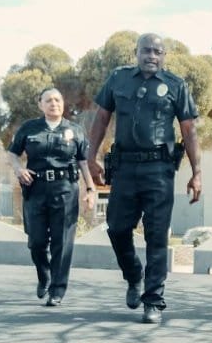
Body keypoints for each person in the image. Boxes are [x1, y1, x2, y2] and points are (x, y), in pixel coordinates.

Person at [86, 33, 202, 325]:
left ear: (164, 56)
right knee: (117, 228)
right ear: (136, 53)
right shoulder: (118, 79)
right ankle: (133, 275)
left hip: (159, 171)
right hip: (124, 168)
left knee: (156, 236)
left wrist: (196, 171)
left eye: (158, 52)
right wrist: (91, 157)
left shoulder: (176, 85)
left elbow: (189, 131)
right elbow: (101, 119)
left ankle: (153, 300)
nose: (152, 56)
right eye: (147, 51)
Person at [6, 87, 94, 307]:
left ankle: (57, 289)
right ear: (40, 105)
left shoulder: (75, 130)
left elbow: (83, 161)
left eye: (57, 99)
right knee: (36, 242)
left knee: (62, 242)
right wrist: (18, 169)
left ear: (63, 103)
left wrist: (91, 189)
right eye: (48, 100)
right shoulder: (29, 128)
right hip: (35, 189)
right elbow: (12, 153)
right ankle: (44, 275)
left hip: (65, 189)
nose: (53, 103)